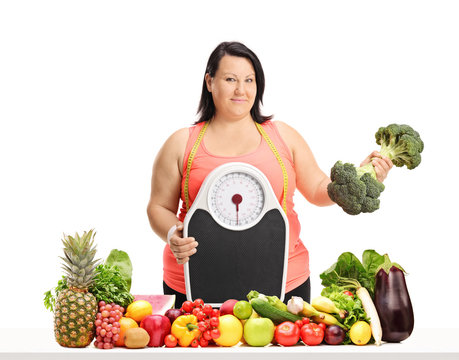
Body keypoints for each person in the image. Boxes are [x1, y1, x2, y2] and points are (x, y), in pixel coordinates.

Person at [147, 41, 393, 307]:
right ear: (209, 81)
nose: (241, 89)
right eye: (230, 79)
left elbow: (319, 189)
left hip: (286, 284)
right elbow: (158, 207)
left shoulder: (283, 136)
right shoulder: (180, 143)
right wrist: (173, 233)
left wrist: (358, 178)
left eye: (249, 80)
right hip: (192, 283)